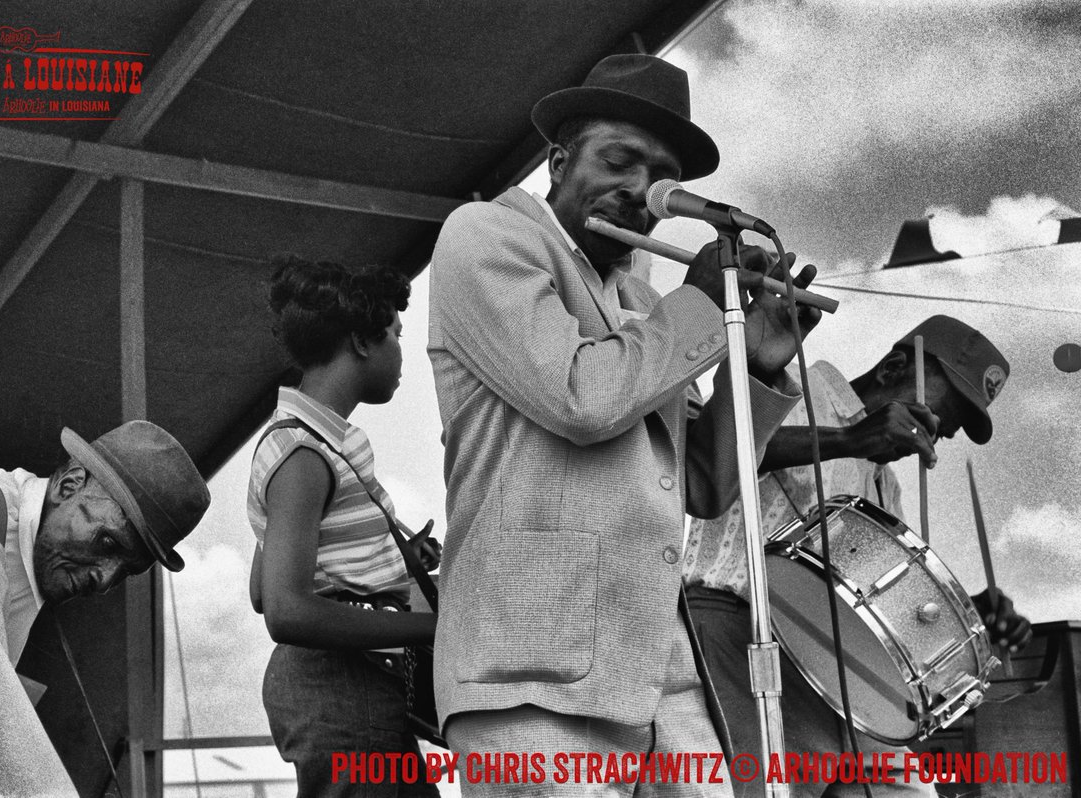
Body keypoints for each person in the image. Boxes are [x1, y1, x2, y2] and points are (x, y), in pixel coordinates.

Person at [426, 54, 821, 796]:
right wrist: (700, 306)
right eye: (618, 161)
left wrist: (757, 369)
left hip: (655, 673)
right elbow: (582, 397)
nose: (641, 192)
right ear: (558, 160)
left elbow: (701, 482)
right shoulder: (487, 235)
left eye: (662, 176)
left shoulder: (639, 297)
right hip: (530, 676)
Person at [684, 315, 1032, 797]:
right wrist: (847, 441)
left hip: (840, 660)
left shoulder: (883, 481)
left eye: (947, 430)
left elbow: (880, 592)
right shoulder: (800, 389)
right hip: (741, 627)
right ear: (892, 368)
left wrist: (965, 615)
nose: (939, 434)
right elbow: (711, 451)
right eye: (940, 410)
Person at [0, 420, 211, 798]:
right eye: (108, 542)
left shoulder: (5, 517)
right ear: (69, 484)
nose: (104, 579)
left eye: (127, 570)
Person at [248, 256, 439, 797]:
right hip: (339, 688)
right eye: (396, 336)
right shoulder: (304, 454)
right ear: (361, 341)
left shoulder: (309, 440)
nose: (403, 353)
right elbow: (284, 611)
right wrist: (435, 630)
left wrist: (389, 559)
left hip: (349, 688)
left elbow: (262, 588)